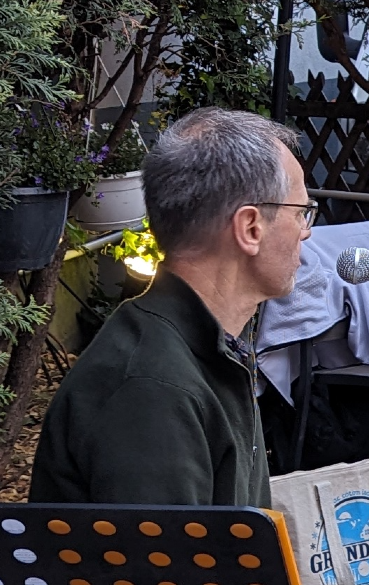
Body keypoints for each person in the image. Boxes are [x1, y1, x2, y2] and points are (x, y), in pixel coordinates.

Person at [30, 107, 313, 506]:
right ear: (251, 227)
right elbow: (165, 568)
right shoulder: (152, 390)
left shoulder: (201, 346)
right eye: (301, 213)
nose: (307, 231)